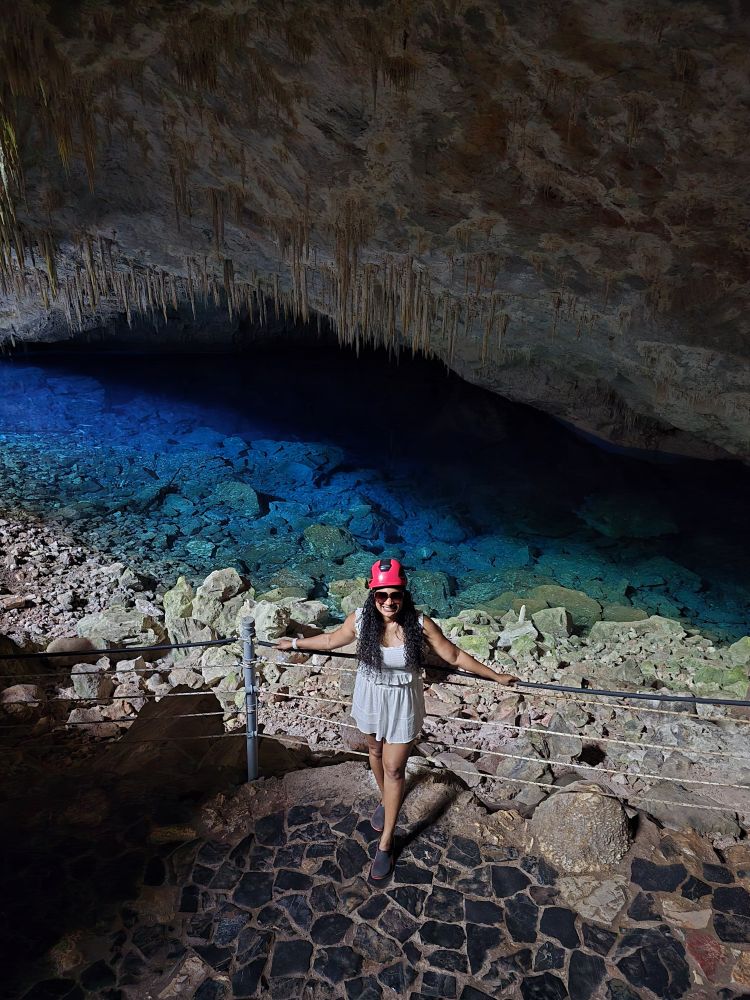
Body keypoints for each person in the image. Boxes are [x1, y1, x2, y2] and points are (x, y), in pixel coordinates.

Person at [275, 558, 517, 880]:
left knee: (394, 767)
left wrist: (495, 676)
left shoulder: (419, 624)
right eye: (382, 595)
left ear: (404, 594)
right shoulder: (361, 621)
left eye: (395, 595)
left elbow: (455, 656)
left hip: (403, 701)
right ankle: (386, 801)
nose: (389, 602)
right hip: (371, 696)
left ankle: (387, 842)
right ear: (372, 594)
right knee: (374, 752)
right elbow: (332, 640)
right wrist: (294, 642)